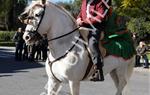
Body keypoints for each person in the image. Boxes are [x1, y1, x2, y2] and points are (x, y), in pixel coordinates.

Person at [77, 0, 111, 81]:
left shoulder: (100, 3)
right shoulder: (84, 2)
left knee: (92, 43)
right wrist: (78, 19)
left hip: (96, 27)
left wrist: (86, 21)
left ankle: (99, 70)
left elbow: (100, 17)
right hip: (84, 26)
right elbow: (81, 13)